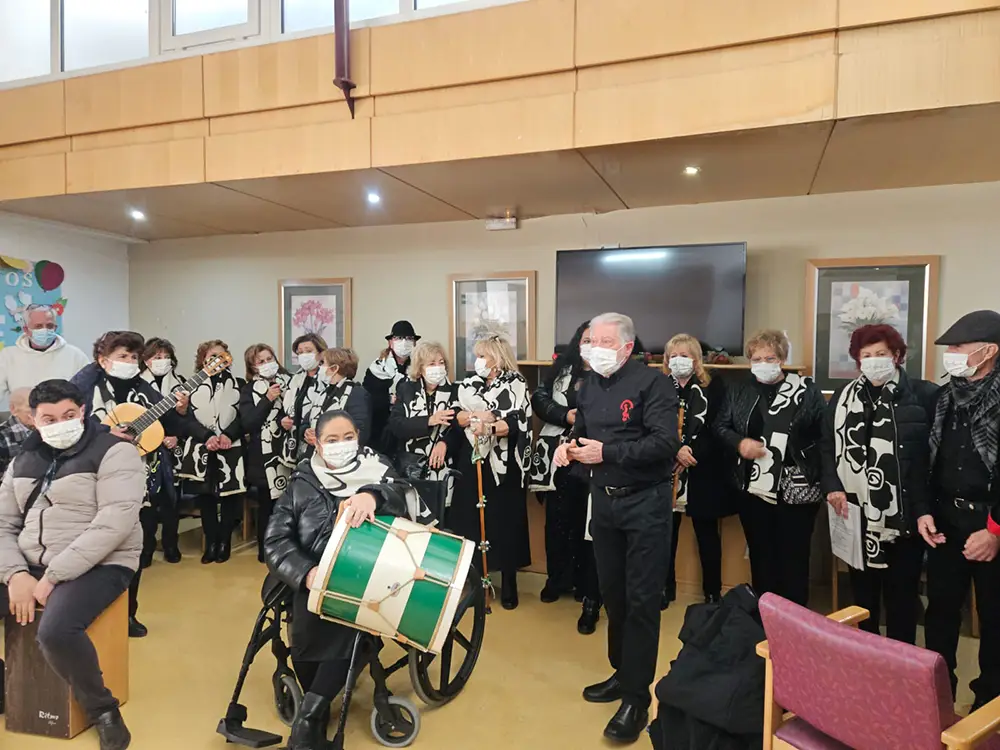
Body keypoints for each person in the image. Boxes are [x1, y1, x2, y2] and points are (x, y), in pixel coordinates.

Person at [553, 312, 680, 743]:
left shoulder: (654, 384)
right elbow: (582, 434)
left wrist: (606, 452)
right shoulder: (588, 386)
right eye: (591, 340)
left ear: (627, 348)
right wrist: (568, 449)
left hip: (646, 505)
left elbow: (665, 443)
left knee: (642, 601)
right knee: (614, 595)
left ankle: (637, 699)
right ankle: (623, 674)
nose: (595, 348)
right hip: (604, 505)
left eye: (605, 342)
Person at [0, 379, 145, 750]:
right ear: (33, 420)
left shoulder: (116, 452)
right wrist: (15, 574)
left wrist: (53, 576)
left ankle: (103, 710)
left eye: (68, 415)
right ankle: (5, 687)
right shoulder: (23, 461)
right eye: (49, 419)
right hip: (32, 561)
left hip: (104, 562)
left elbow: (114, 523)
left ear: (82, 412)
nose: (59, 424)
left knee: (57, 630)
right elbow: (3, 524)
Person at [263, 410, 415, 750]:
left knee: (351, 615)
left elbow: (401, 495)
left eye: (348, 437)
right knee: (309, 640)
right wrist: (306, 573)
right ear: (316, 443)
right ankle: (315, 705)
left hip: (365, 574)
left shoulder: (377, 469)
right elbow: (274, 541)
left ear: (358, 437)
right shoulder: (301, 484)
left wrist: (372, 495)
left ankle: (307, 722)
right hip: (312, 576)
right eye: (331, 440)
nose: (341, 445)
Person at [821, 324, 938, 644]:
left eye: (881, 354)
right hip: (855, 512)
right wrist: (832, 485)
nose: (874, 361)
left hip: (905, 514)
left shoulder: (924, 395)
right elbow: (827, 446)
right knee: (863, 596)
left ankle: (900, 661)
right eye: (867, 355)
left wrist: (924, 506)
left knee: (902, 597)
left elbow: (932, 457)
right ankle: (867, 656)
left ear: (896, 356)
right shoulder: (842, 397)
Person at [72, 331, 190, 638]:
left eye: (134, 357)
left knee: (131, 551)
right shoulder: (84, 387)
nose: (129, 362)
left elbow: (170, 426)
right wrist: (105, 433)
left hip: (140, 483)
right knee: (94, 550)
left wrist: (180, 410)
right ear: (103, 360)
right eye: (122, 356)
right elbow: (70, 425)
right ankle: (89, 614)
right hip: (94, 481)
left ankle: (128, 614)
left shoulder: (144, 389)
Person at [919, 310, 1000, 709]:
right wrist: (923, 510)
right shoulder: (943, 397)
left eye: (958, 347)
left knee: (995, 621)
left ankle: (988, 709)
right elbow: (926, 461)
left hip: (991, 524)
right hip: (945, 520)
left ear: (989, 351)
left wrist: (995, 530)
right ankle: (938, 700)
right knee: (940, 615)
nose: (950, 354)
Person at [713, 329, 826, 608]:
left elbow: (823, 435)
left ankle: (795, 620)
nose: (763, 364)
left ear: (782, 359)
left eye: (770, 358)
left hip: (796, 488)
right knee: (761, 556)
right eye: (757, 359)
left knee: (794, 560)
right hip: (753, 488)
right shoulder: (739, 389)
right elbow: (720, 426)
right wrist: (740, 443)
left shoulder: (806, 391)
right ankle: (766, 618)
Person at [530, 321, 603, 635]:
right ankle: (557, 579)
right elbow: (540, 399)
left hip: (592, 458)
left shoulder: (609, 373)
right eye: (585, 339)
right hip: (559, 457)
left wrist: (583, 421)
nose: (589, 345)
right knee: (558, 521)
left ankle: (588, 590)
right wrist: (565, 416)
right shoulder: (562, 369)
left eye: (595, 340)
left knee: (589, 527)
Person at [449, 334, 532, 610]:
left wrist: (489, 423)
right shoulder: (468, 383)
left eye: (482, 356)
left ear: (497, 358)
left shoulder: (515, 383)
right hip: (471, 458)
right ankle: (474, 581)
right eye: (477, 356)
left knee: (505, 520)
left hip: (502, 463)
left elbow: (516, 421)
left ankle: (508, 582)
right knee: (470, 518)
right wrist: (474, 417)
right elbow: (458, 415)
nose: (478, 361)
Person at [662, 334, 733, 609]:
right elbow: (652, 425)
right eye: (674, 356)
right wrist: (674, 450)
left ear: (696, 359)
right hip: (667, 469)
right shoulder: (658, 388)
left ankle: (712, 592)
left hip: (703, 470)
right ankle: (665, 588)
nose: (679, 360)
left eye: (685, 355)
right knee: (666, 534)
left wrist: (690, 453)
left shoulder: (714, 386)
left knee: (707, 535)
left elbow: (718, 426)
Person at [178, 339, 245, 565]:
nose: (217, 360)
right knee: (205, 498)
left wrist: (228, 435)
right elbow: (186, 419)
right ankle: (211, 542)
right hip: (202, 448)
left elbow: (243, 417)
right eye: (211, 356)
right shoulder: (189, 385)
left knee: (229, 497)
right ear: (203, 360)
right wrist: (206, 436)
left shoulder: (239, 384)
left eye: (221, 355)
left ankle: (224, 542)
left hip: (230, 447)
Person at [387, 341, 461, 514]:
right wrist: (429, 420)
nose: (438, 368)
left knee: (443, 516)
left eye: (441, 363)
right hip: (411, 466)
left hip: (444, 468)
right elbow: (396, 425)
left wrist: (445, 443)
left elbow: (459, 429)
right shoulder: (406, 389)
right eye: (432, 364)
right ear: (420, 368)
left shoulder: (455, 391)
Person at [239, 343, 293, 562]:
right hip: (263, 458)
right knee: (266, 508)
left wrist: (286, 422)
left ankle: (288, 549)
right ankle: (265, 550)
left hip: (288, 453)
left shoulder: (292, 382)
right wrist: (267, 399)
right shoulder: (248, 390)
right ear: (252, 367)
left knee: (289, 507)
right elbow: (248, 423)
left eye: (269, 359)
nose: (267, 363)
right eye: (260, 361)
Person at [138, 337, 184, 564]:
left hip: (172, 451)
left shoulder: (181, 383)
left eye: (167, 357)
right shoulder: (137, 386)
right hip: (145, 452)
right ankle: (146, 548)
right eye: (157, 357)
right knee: (147, 504)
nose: (162, 361)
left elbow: (187, 419)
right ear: (146, 360)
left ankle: (171, 545)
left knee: (171, 502)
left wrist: (177, 436)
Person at [0, 303, 89, 402]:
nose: (44, 330)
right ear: (26, 330)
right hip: (23, 411)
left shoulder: (75, 356)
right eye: (38, 326)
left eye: (49, 326)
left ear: (55, 328)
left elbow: (90, 392)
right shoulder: (8, 356)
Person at [364, 320, 419, 454]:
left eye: (409, 338)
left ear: (414, 343)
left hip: (411, 430)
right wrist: (388, 399)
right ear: (390, 342)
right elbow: (368, 398)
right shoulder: (377, 368)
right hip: (381, 430)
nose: (404, 342)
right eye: (399, 338)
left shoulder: (420, 367)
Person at [307, 348, 372, 452]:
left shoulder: (356, 393)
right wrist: (306, 432)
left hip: (341, 453)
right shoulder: (323, 392)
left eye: (323, 363)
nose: (319, 367)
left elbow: (361, 430)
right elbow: (306, 421)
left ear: (334, 368)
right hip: (316, 452)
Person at [282, 333, 328, 462]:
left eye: (308, 351)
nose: (304, 355)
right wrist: (284, 420)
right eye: (300, 352)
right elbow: (288, 407)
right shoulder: (296, 379)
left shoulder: (328, 378)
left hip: (318, 441)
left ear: (321, 353)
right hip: (295, 440)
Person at [0, 387, 33, 475]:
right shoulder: (2, 436)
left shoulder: (47, 428)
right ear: (13, 409)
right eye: (31, 406)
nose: (38, 411)